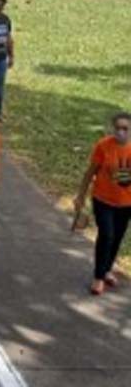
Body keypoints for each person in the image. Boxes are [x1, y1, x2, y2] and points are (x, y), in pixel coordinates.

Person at [73, 112, 131, 296]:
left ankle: (107, 270)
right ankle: (98, 276)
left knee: (117, 238)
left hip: (126, 203)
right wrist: (80, 196)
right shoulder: (103, 146)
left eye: (125, 129)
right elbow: (90, 172)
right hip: (103, 199)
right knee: (106, 234)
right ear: (112, 128)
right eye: (118, 128)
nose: (121, 132)